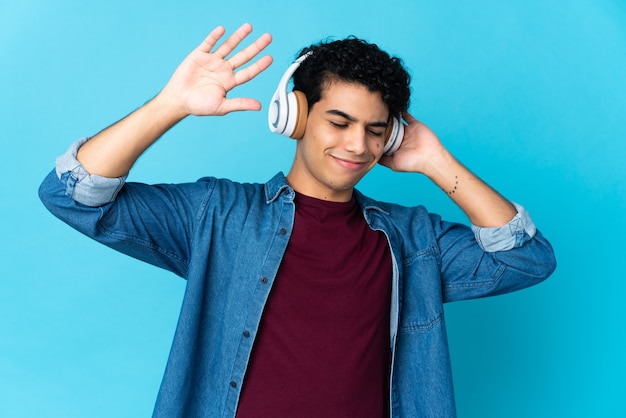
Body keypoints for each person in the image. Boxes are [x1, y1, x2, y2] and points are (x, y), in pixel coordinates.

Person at [39, 23, 556, 417]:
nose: (358, 145)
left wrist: (434, 161)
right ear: (295, 115)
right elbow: (73, 195)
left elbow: (527, 259)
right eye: (339, 121)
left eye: (377, 130)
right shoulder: (217, 214)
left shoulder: (412, 239)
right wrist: (170, 106)